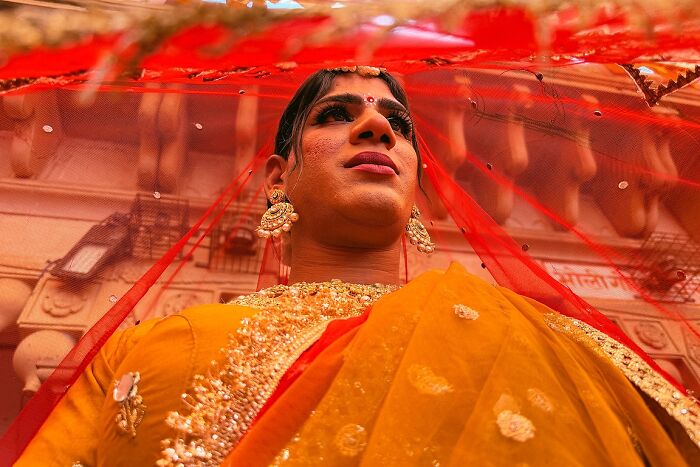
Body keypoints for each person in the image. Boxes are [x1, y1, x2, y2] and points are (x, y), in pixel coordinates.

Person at [14, 67, 700, 467]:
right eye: (336, 115)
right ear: (278, 180)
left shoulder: (556, 345)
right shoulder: (145, 345)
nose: (378, 130)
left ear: (417, 190)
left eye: (398, 125)